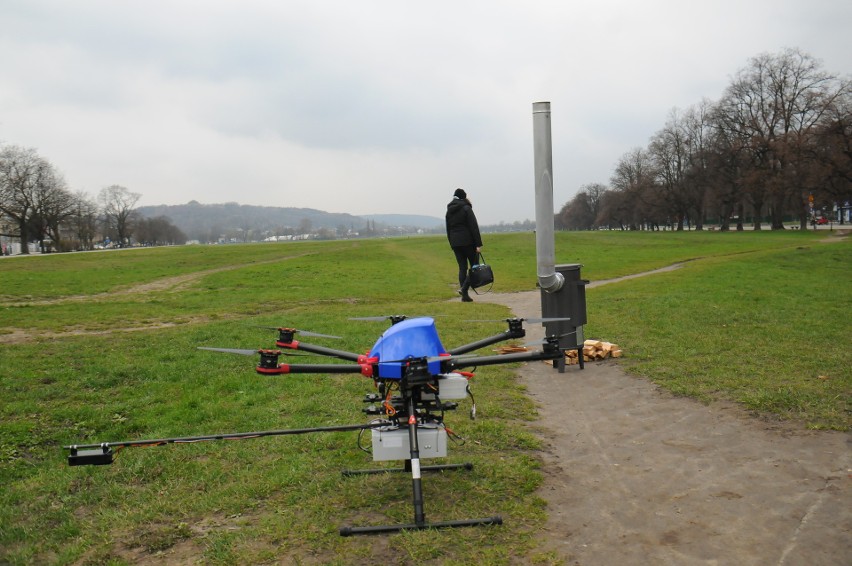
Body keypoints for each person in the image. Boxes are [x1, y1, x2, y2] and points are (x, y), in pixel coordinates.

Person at [445, 188, 483, 302]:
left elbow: (448, 229)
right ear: (463, 197)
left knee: (462, 268)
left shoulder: (449, 210)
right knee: (475, 266)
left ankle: (464, 296)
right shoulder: (466, 208)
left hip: (455, 243)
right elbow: (473, 227)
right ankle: (464, 288)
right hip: (468, 242)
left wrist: (451, 243)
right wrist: (478, 244)